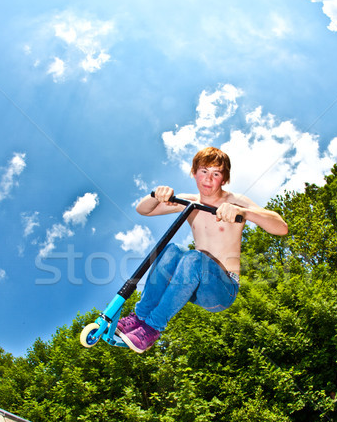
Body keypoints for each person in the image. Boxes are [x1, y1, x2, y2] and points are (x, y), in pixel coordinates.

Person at [117, 147, 288, 353]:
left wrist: (244, 212)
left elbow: (281, 227)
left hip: (223, 288)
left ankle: (152, 328)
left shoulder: (235, 201)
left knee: (193, 258)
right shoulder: (191, 202)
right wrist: (156, 195)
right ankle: (139, 318)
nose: (208, 179)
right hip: (193, 285)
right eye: (204, 171)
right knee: (173, 250)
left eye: (216, 174)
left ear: (224, 179)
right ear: (194, 172)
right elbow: (143, 210)